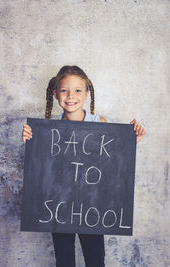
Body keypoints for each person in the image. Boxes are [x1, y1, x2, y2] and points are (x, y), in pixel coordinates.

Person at [21, 65, 146, 267]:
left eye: (78, 90)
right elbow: (42, 169)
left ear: (87, 93)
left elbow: (113, 158)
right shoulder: (47, 131)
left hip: (93, 208)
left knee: (96, 259)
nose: (71, 96)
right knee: (64, 260)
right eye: (64, 90)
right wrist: (31, 142)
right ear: (55, 94)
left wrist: (132, 141)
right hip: (60, 207)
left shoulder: (100, 123)